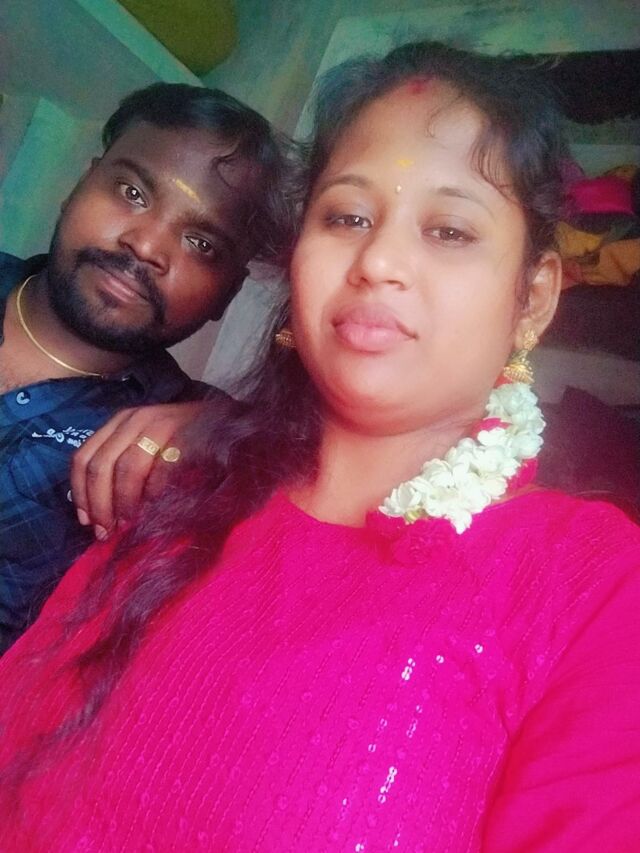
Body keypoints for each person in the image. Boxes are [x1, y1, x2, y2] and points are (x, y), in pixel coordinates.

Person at [1, 40, 640, 851]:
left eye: (448, 229)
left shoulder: (593, 588)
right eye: (347, 217)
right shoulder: (178, 483)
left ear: (534, 298)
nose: (380, 261)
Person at [0, 82, 293, 652]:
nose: (147, 246)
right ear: (81, 182)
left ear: (227, 294)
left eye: (201, 243)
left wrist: (223, 433)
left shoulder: (192, 441)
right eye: (133, 192)